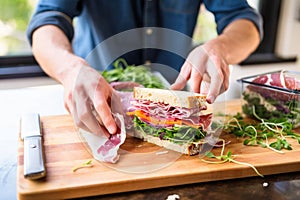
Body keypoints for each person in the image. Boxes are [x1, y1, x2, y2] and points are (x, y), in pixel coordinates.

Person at [27, 0, 263, 137]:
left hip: (176, 103)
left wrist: (219, 47)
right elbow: (48, 19)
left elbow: (244, 21)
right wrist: (70, 69)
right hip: (96, 103)